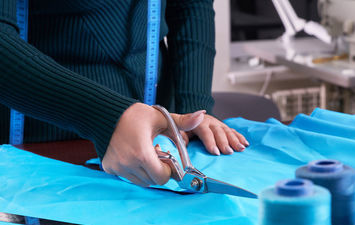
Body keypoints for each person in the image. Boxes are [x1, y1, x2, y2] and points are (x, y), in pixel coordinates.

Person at [0, 0, 249, 187]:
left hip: (153, 140)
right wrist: (105, 117)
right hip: (33, 147)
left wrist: (193, 107)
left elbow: (191, 5)